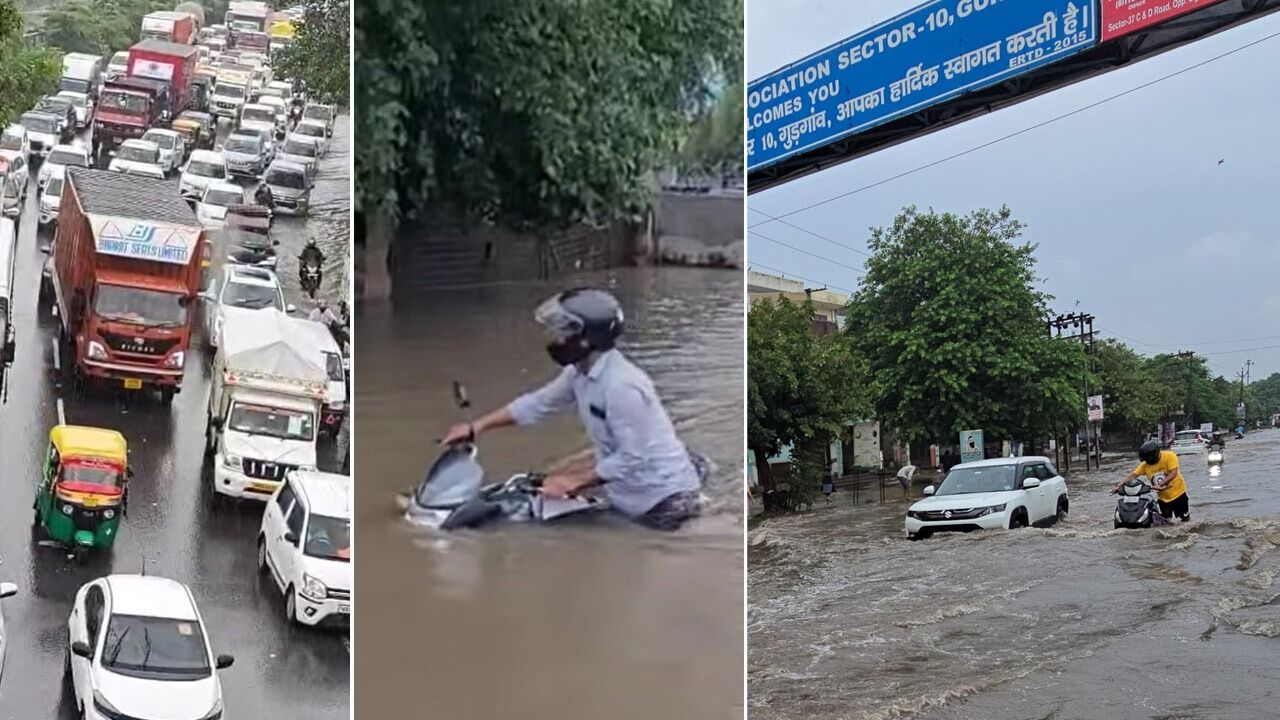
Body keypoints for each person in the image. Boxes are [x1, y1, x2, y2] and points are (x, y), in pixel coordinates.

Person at [440, 288, 703, 531]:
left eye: (563, 332)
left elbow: (635, 457)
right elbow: (537, 404)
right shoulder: (579, 373)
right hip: (624, 489)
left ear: (587, 339)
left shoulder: (622, 387)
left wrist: (573, 481)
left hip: (662, 502)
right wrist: (477, 427)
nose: (555, 339)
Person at [1113, 440, 1190, 522]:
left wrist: (1160, 484)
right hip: (1163, 498)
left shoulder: (1170, 456)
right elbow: (1133, 475)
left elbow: (1173, 473)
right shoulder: (1145, 465)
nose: (1149, 463)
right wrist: (1119, 485)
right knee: (1167, 523)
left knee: (1185, 519)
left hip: (1178, 493)